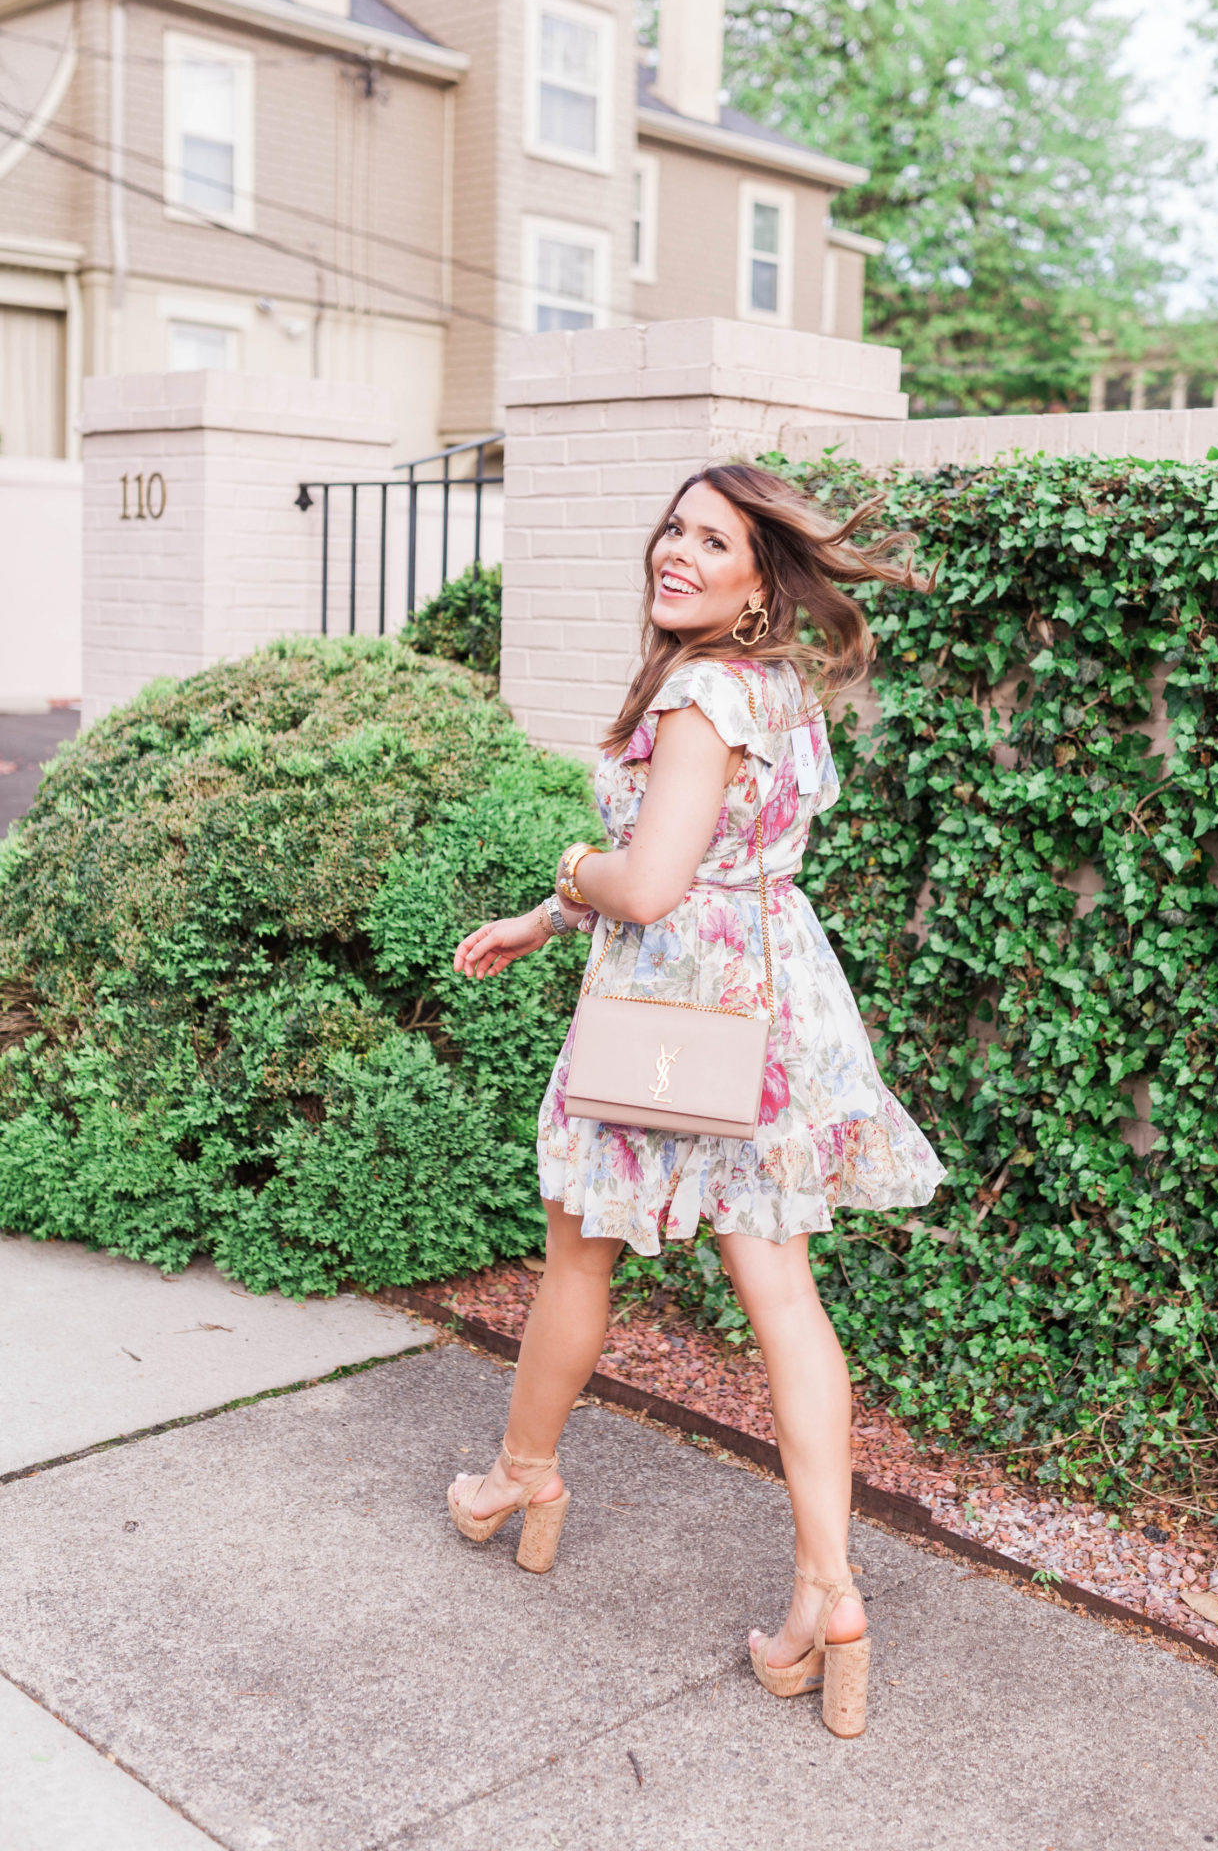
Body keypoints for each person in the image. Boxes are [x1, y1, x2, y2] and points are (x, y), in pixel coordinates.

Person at [448, 463, 946, 1737]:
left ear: (758, 577)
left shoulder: (697, 693)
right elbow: (711, 856)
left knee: (581, 1251)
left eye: (712, 539)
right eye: (673, 526)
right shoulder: (776, 689)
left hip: (670, 1012)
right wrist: (544, 918)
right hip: (771, 1009)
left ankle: (524, 1477)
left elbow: (655, 880)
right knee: (782, 1293)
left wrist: (568, 865)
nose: (677, 550)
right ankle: (829, 1597)